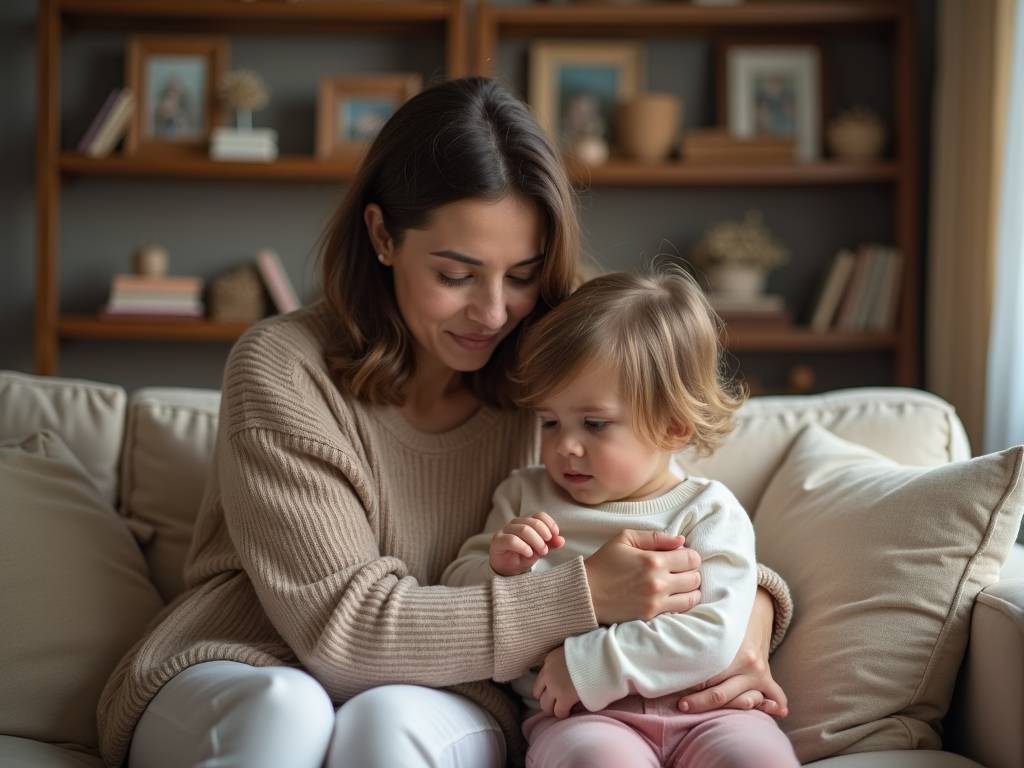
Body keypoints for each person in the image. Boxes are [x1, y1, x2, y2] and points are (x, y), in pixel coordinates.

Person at [97, 77, 791, 768]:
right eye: (457, 275)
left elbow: (669, 497)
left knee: (388, 721)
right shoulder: (283, 367)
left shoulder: (559, 367)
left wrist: (748, 617)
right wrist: (581, 596)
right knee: (288, 711)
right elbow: (343, 638)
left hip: (438, 692)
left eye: (521, 275)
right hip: (246, 663)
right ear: (382, 236)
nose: (493, 313)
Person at [442, 268, 799, 767]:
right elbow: (455, 595)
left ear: (672, 426)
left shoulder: (708, 510)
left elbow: (715, 633)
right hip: (583, 721)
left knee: (756, 759)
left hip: (711, 714)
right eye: (549, 421)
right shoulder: (525, 495)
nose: (564, 445)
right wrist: (500, 571)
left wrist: (589, 663)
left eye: (594, 423)